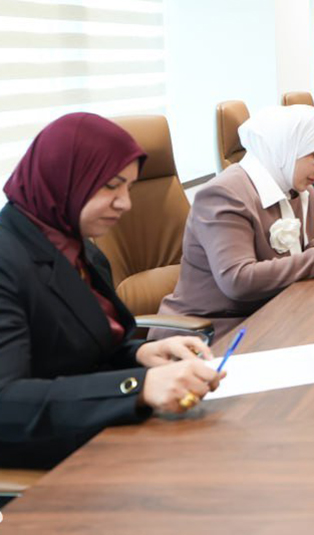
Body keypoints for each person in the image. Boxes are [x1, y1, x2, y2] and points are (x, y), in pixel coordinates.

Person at [0, 113, 223, 469]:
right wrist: (139, 386)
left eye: (128, 188)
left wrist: (141, 354)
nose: (125, 203)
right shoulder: (7, 259)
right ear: (62, 176)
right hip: (44, 454)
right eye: (110, 186)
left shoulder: (82, 251)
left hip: (95, 428)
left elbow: (85, 354)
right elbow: (7, 402)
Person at [156, 106, 314, 340]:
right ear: (285, 146)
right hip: (215, 328)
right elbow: (238, 280)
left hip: (276, 310)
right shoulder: (224, 194)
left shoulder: (297, 190)